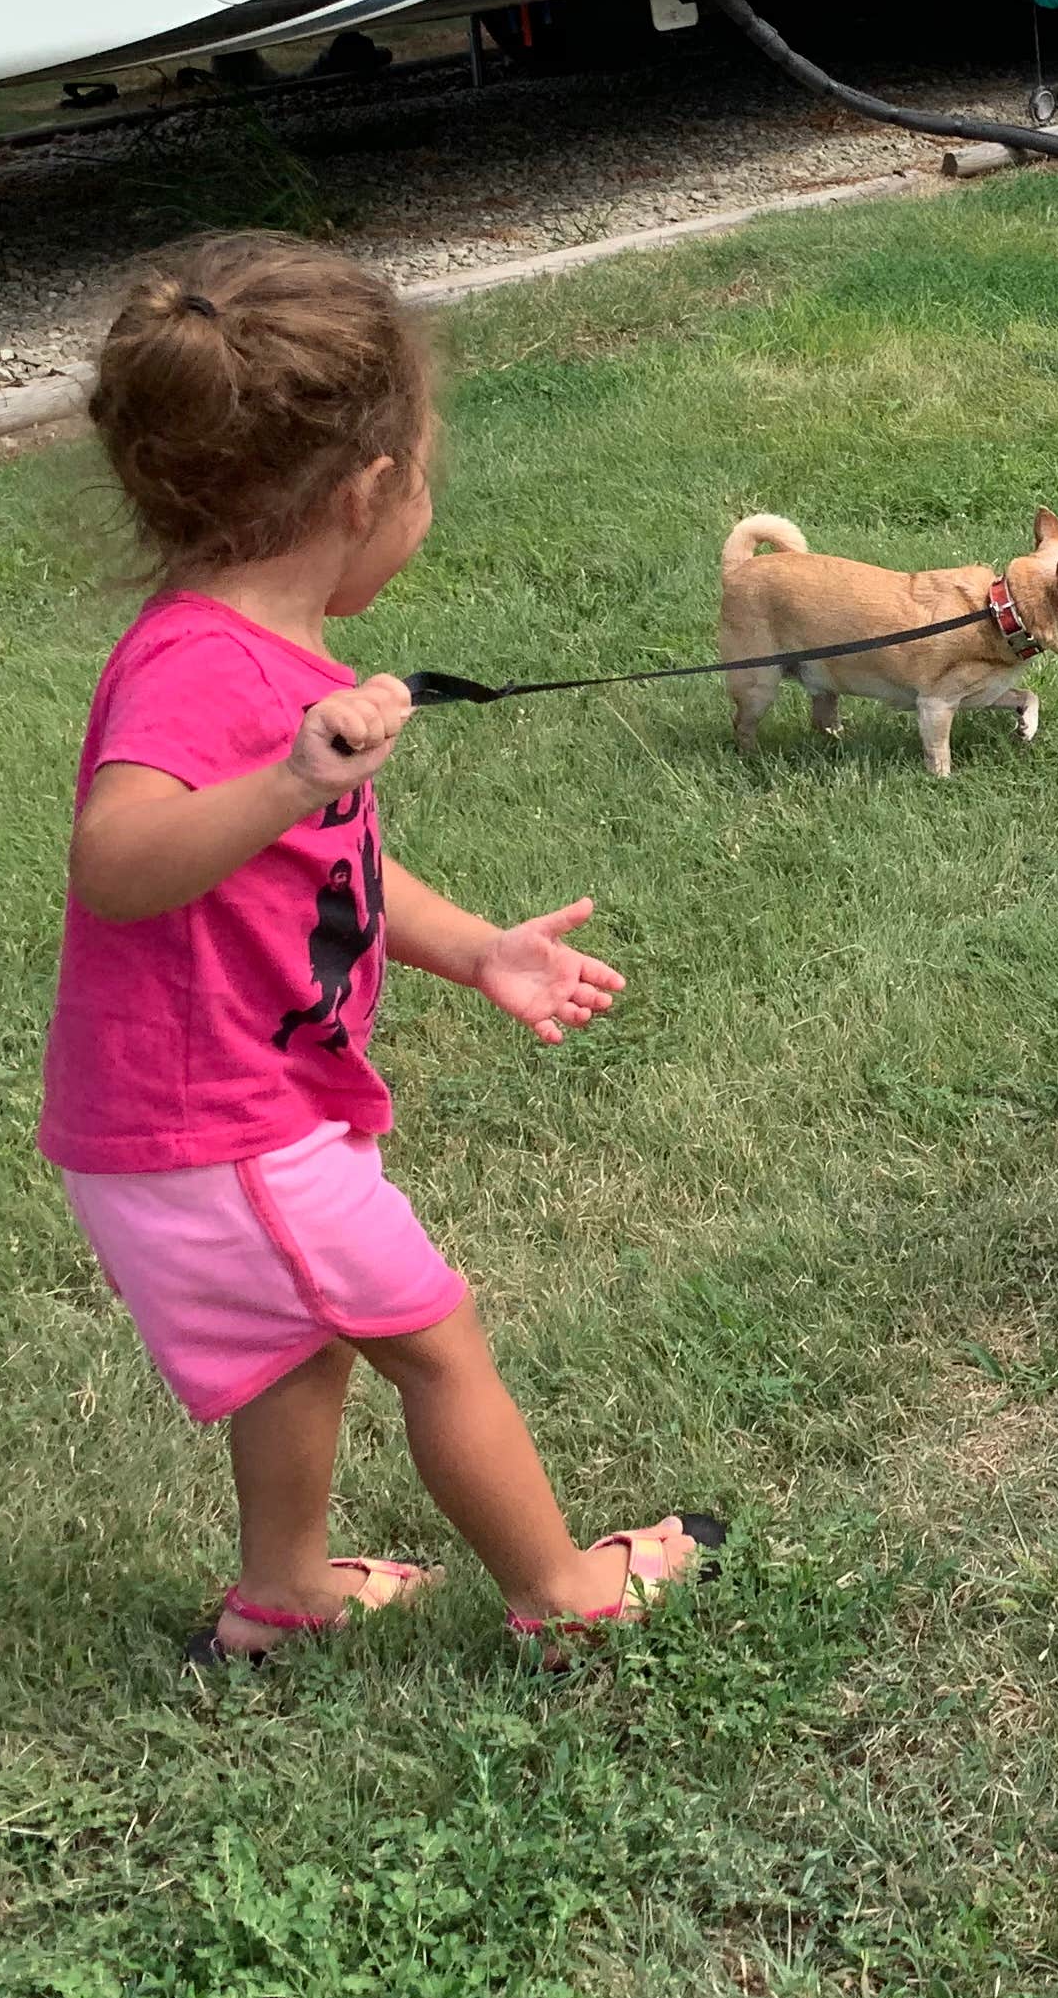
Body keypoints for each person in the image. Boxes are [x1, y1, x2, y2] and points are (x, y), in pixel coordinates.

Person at [41, 230, 721, 1665]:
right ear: (368, 492)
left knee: (307, 1342)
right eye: (425, 479)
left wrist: (479, 950)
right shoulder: (200, 668)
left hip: (225, 1123)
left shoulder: (259, 658)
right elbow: (116, 860)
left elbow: (320, 872)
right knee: (436, 1338)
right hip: (217, 1133)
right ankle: (567, 1597)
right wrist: (290, 775)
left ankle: (280, 1590)